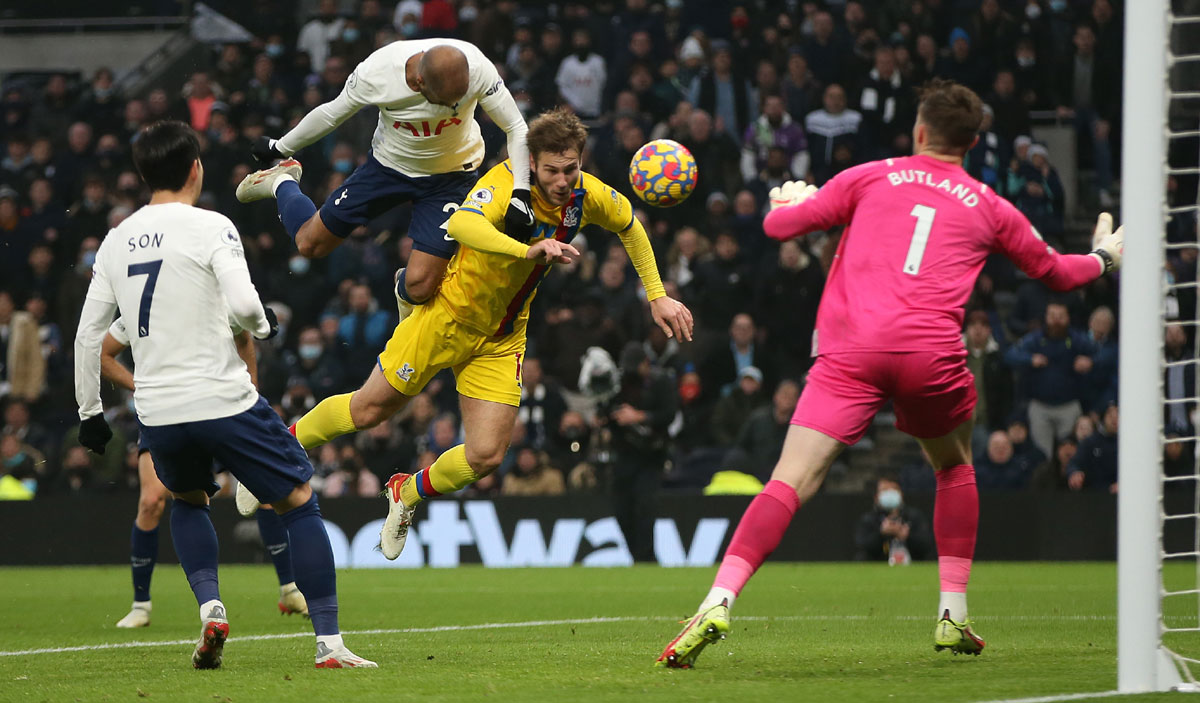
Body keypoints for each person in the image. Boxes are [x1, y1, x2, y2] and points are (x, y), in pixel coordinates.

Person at [656, 79, 1124, 668]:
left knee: (788, 481)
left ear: (920, 131)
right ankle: (952, 613)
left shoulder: (872, 174)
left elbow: (779, 231)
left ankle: (717, 600)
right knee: (954, 467)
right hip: (931, 357)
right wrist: (1105, 255)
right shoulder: (989, 202)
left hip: (850, 351)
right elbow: (1057, 272)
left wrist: (788, 205)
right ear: (972, 142)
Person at [285, 108, 692, 560]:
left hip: (501, 338)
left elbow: (630, 226)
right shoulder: (504, 183)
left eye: (571, 168)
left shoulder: (585, 194)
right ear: (531, 163)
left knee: (486, 456)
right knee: (368, 411)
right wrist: (528, 249)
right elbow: (462, 224)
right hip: (446, 318)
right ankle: (282, 445)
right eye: (552, 170)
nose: (563, 180)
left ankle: (407, 492)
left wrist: (657, 296)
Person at [72, 121, 372, 669]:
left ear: (143, 175)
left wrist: (90, 413)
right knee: (299, 501)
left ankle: (211, 608)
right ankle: (329, 643)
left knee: (187, 501)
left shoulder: (116, 238)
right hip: (222, 398)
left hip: (159, 410)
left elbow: (90, 335)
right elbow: (243, 301)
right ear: (195, 169)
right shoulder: (211, 225)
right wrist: (262, 326)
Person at [235, 38, 533, 325]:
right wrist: (280, 147)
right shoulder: (377, 73)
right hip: (388, 168)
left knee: (420, 286)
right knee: (310, 245)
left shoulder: (477, 67)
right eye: (445, 103)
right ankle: (282, 181)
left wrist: (522, 193)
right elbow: (331, 114)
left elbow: (516, 127)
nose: (453, 109)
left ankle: (403, 292)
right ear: (418, 83)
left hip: (452, 177)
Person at [100, 315, 309, 628]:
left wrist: (251, 391)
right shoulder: (142, 297)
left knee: (269, 491)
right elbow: (103, 352)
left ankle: (289, 588)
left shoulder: (205, 285)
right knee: (152, 501)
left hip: (221, 404)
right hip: (163, 411)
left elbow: (244, 333)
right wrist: (140, 386)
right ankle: (141, 603)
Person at [854, 477, 933, 562]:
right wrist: (882, 534)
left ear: (901, 494)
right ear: (876, 497)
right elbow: (863, 546)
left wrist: (907, 536)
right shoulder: (869, 519)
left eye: (894, 489)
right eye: (885, 490)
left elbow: (926, 545)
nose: (890, 493)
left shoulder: (914, 516)